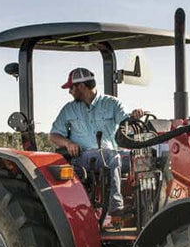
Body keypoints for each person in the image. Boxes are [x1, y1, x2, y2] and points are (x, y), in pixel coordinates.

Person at [48, 67, 145, 228]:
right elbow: (54, 135)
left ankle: (148, 207)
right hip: (84, 157)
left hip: (111, 153)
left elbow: (127, 123)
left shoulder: (112, 103)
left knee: (146, 156)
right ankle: (115, 208)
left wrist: (134, 116)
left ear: (81, 87)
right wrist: (68, 143)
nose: (69, 92)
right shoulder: (69, 109)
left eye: (71, 88)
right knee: (111, 157)